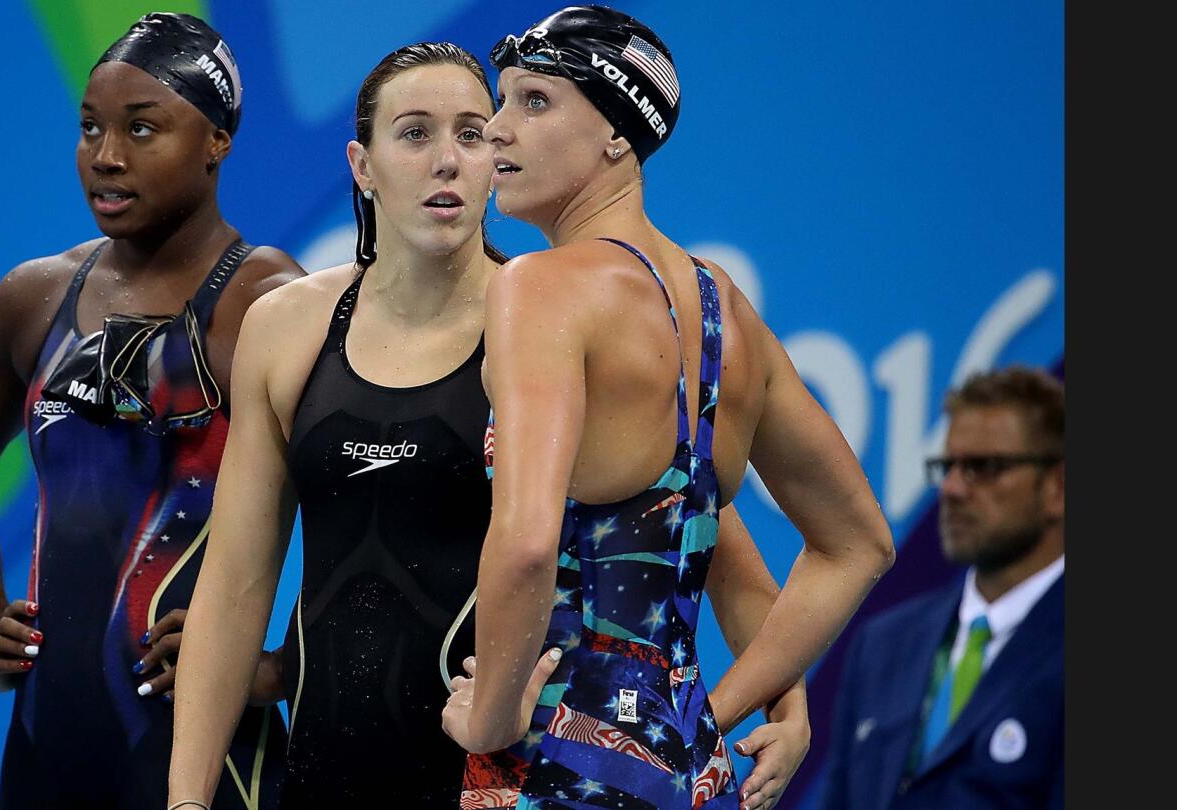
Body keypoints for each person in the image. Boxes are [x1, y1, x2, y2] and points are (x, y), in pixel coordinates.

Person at [168, 39, 810, 810]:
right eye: (414, 134)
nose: (449, 160)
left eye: (472, 133)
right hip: (320, 775)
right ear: (361, 166)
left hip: (502, 782)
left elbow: (693, 535)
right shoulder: (287, 328)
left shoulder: (549, 327)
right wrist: (187, 800)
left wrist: (788, 702)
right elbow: (236, 583)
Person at [438, 7, 895, 810]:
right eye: (501, 100)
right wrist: (718, 715)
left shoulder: (540, 288)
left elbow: (526, 544)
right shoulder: (725, 311)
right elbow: (854, 543)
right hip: (681, 768)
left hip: (555, 762)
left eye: (534, 102)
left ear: (618, 134)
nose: (496, 128)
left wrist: (492, 715)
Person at [0, 13, 298, 809]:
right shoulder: (34, 297)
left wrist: (282, 665)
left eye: (143, 128)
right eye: (90, 128)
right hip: (49, 742)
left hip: (206, 749)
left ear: (217, 141)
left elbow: (370, 507)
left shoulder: (267, 303)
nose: (106, 156)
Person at [817, 366, 1064, 809]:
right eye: (948, 466)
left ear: (1058, 488)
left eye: (984, 468)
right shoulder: (882, 645)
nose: (951, 489)